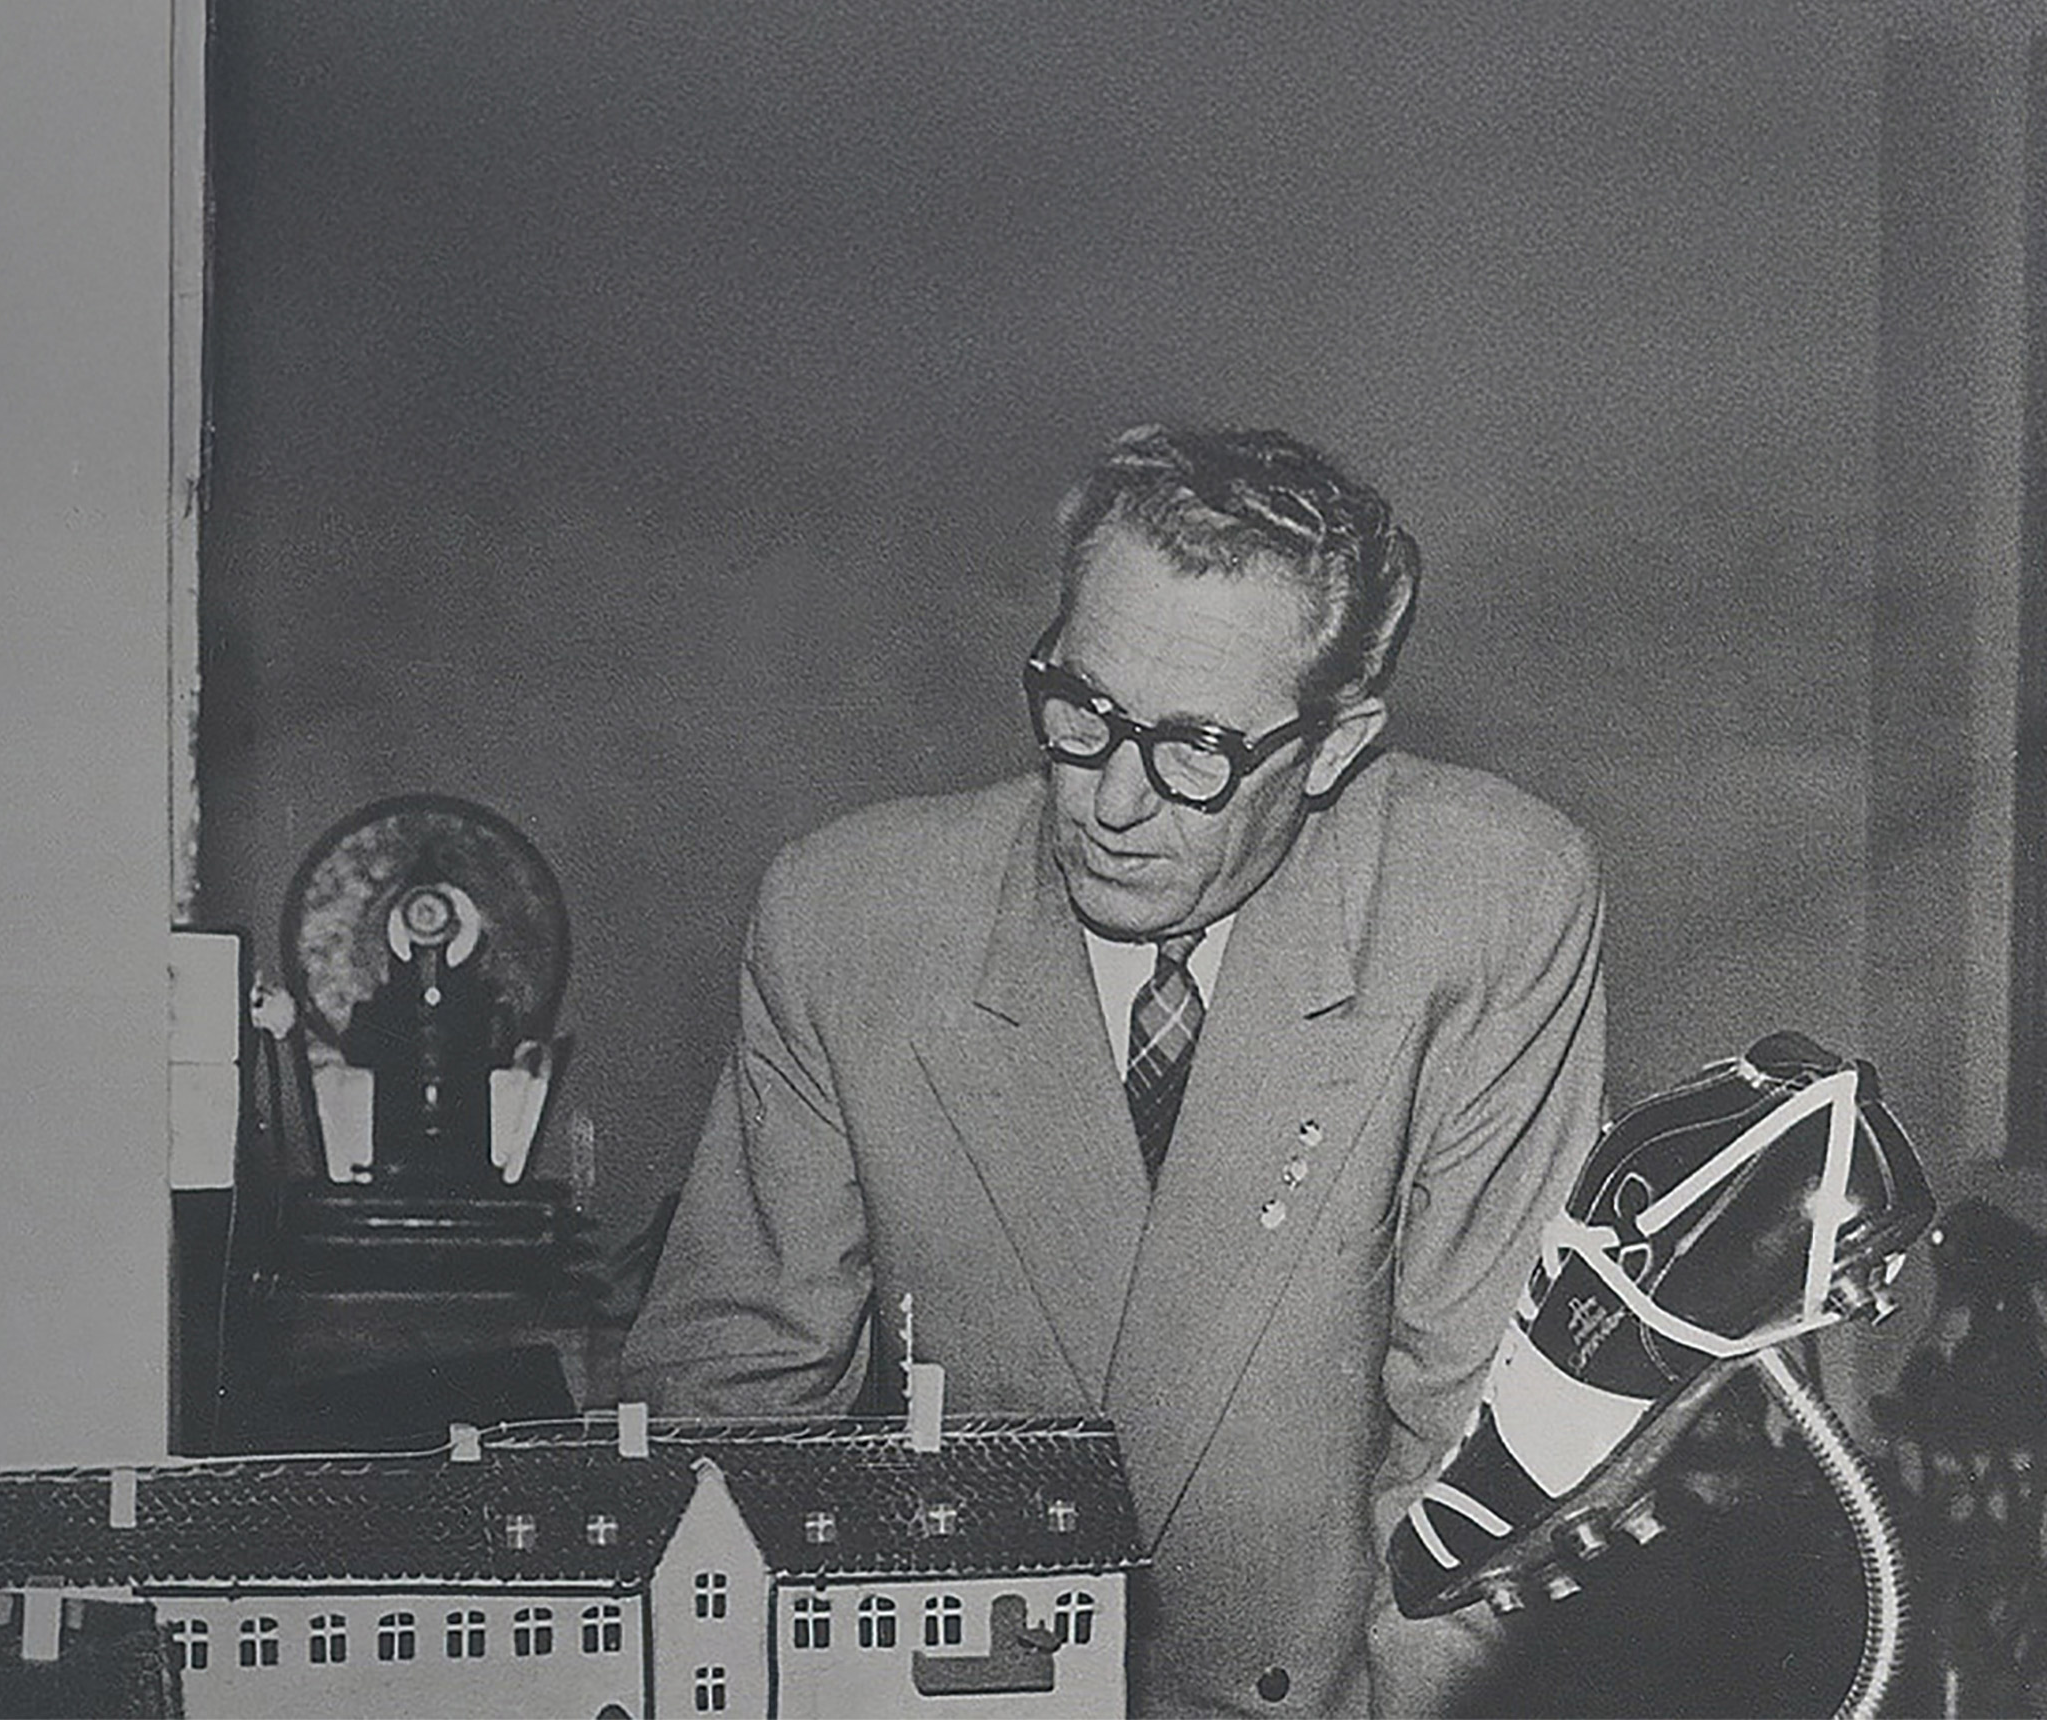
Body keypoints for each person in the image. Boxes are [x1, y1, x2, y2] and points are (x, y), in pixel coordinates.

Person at [619, 425, 1606, 1716]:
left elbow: (1480, 1472)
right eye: (1082, 708)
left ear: (1332, 747)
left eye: (1197, 747)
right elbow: (720, 1429)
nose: (1111, 801)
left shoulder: (1486, 904)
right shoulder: (848, 920)